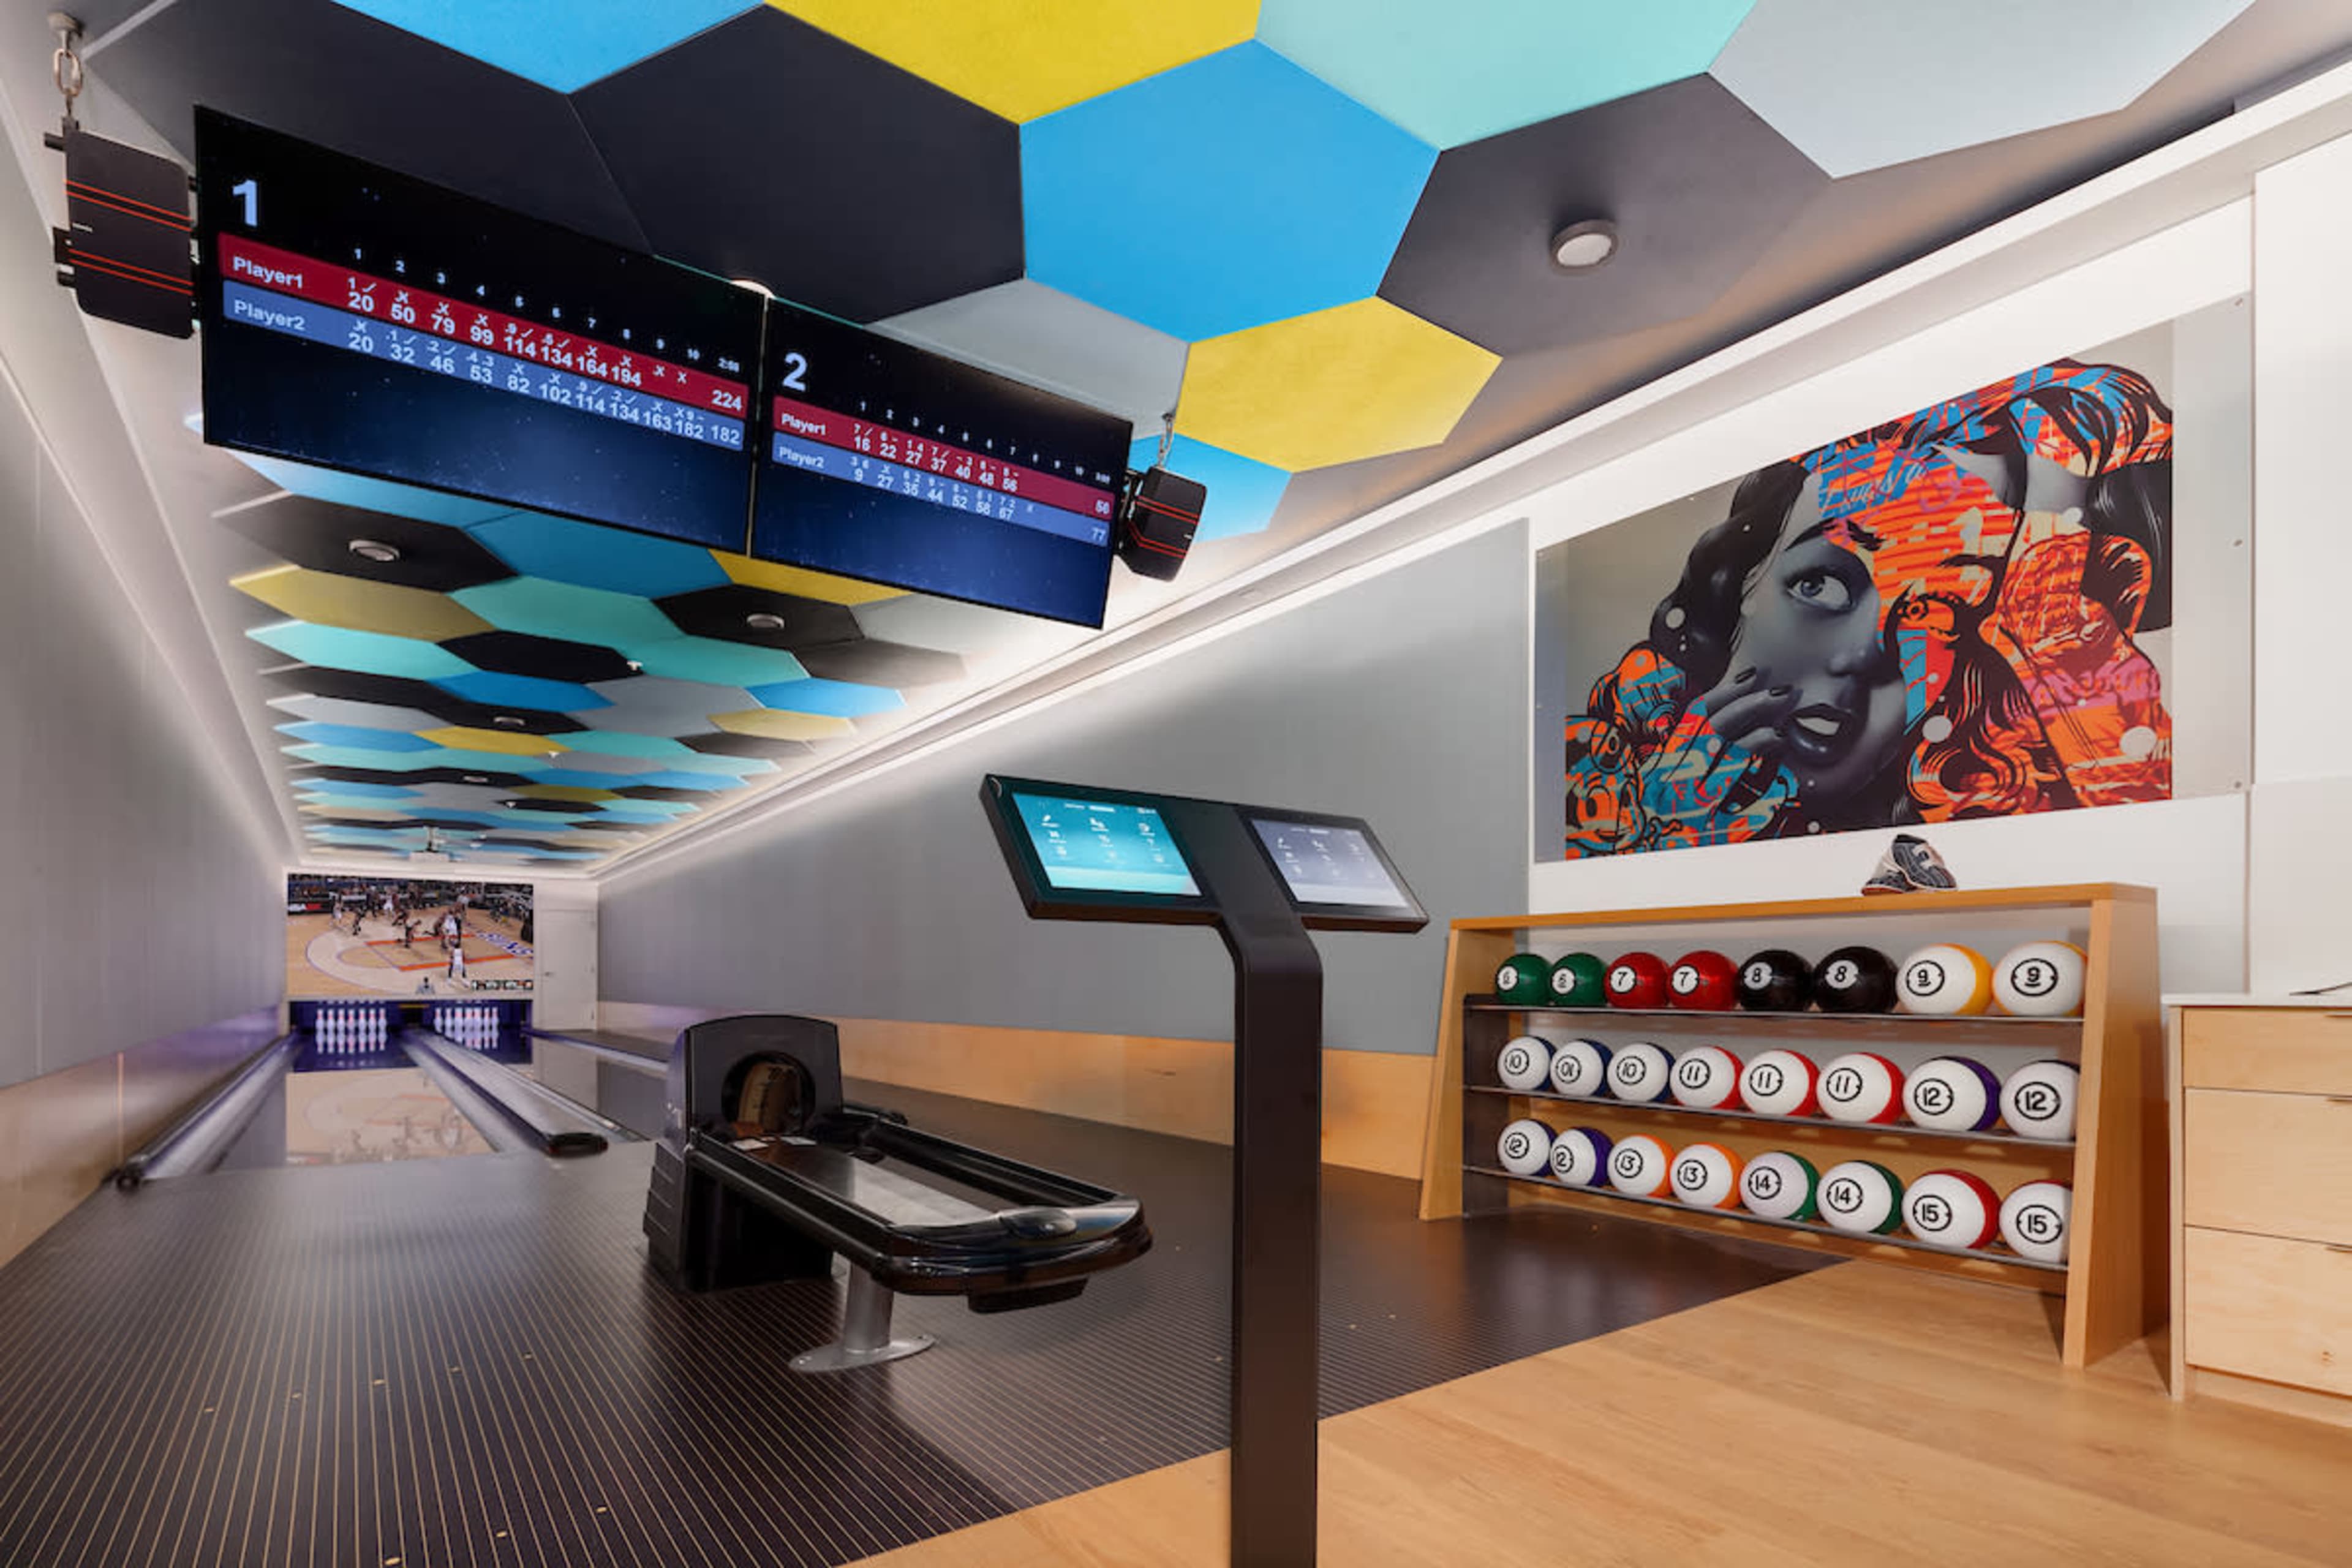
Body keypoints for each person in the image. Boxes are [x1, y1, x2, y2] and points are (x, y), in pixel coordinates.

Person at [1564, 360, 2173, 856]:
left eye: (1943, 606)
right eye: (1821, 583)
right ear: (1744, 586)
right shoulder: (1591, 770)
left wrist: (2055, 620)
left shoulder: (1949, 841)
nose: (1865, 651)